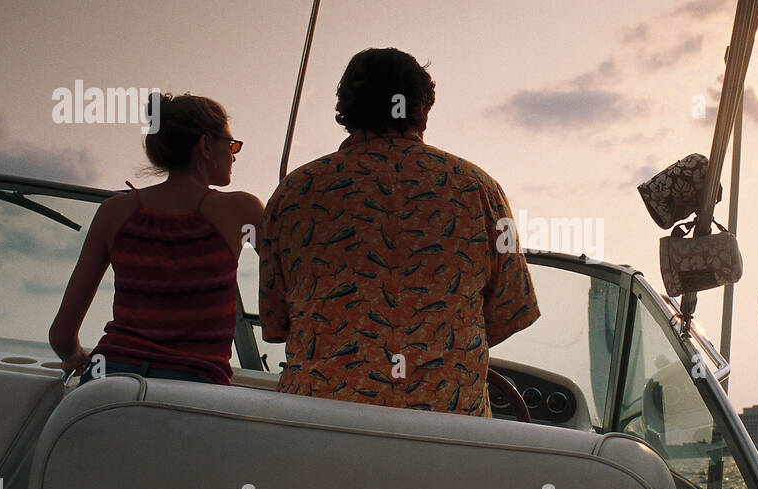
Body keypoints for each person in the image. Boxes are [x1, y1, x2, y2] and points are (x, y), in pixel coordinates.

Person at [258, 47, 539, 416]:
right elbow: (509, 309)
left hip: (319, 424)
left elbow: (276, 321)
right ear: (422, 112)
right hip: (448, 429)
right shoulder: (480, 190)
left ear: (346, 111)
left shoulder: (293, 194)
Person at [50, 93, 264, 385]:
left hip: (109, 380)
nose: (234, 153)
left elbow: (61, 335)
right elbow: (292, 280)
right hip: (193, 385)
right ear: (204, 145)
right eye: (230, 144)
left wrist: (75, 357)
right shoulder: (242, 209)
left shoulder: (114, 211)